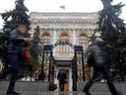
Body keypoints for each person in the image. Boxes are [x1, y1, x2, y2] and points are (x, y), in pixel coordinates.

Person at [6, 24, 30, 95]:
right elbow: (13, 38)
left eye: (25, 30)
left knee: (16, 72)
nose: (25, 31)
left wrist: (27, 42)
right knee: (15, 70)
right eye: (24, 29)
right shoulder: (15, 31)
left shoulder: (21, 35)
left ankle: (10, 90)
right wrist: (23, 39)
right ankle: (6, 71)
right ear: (20, 28)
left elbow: (22, 44)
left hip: (18, 54)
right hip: (13, 53)